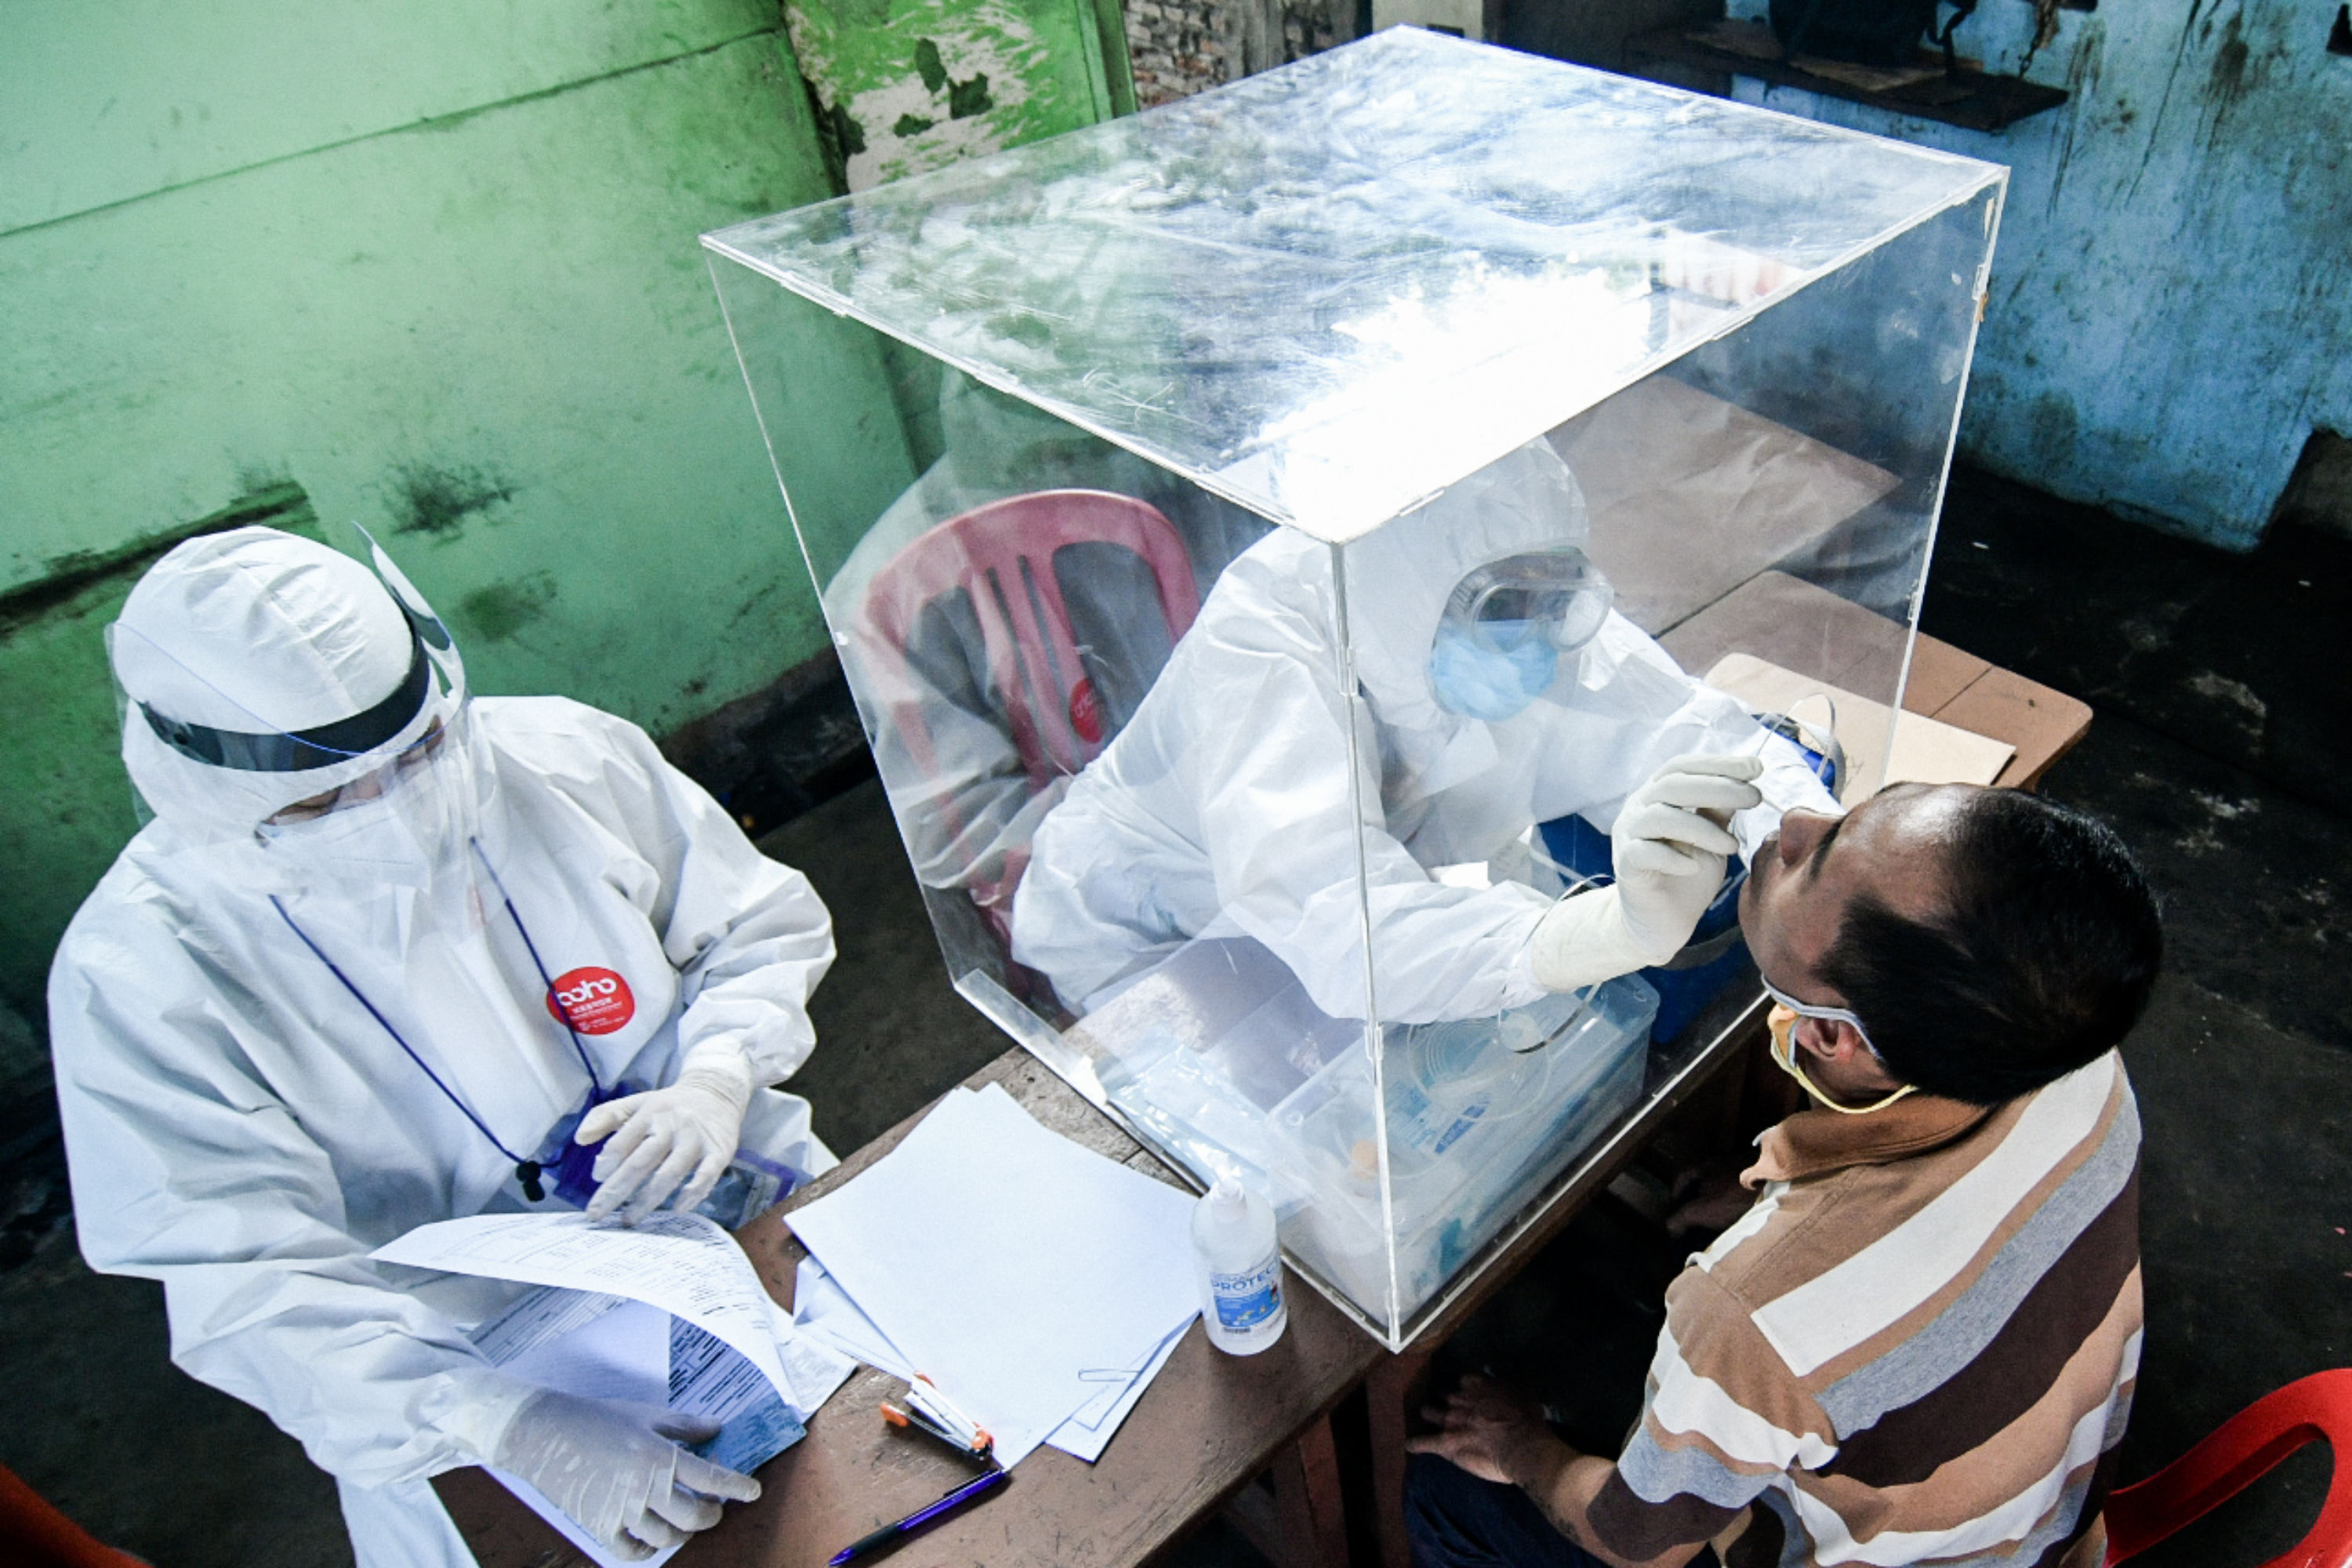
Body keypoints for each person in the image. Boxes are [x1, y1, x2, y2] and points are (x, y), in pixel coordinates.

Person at [47, 528, 839, 1566]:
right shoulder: (144, 976)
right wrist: (502, 1425)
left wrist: (717, 1074)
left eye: (421, 750)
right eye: (323, 801)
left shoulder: (561, 757)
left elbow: (757, 926)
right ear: (198, 785)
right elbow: (245, 1282)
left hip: (736, 1223)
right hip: (460, 1371)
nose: (395, 810)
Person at [1404, 782, 2165, 1568]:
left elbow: (1637, 1546)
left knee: (1442, 1494)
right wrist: (1781, 1193)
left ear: (1833, 1032)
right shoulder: (2073, 1059)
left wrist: (1523, 1443)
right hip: (2046, 1526)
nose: (1797, 822)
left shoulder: (1750, 1316)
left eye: (1817, 859)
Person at [1010, 438, 1841, 1023]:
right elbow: (1349, 930)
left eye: (1558, 600)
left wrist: (1822, 847)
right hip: (1152, 937)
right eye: (1507, 607)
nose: (1540, 634)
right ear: (1407, 593)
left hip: (1342, 941)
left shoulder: (1510, 589)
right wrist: (1603, 932)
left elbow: (1688, 730)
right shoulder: (1264, 647)